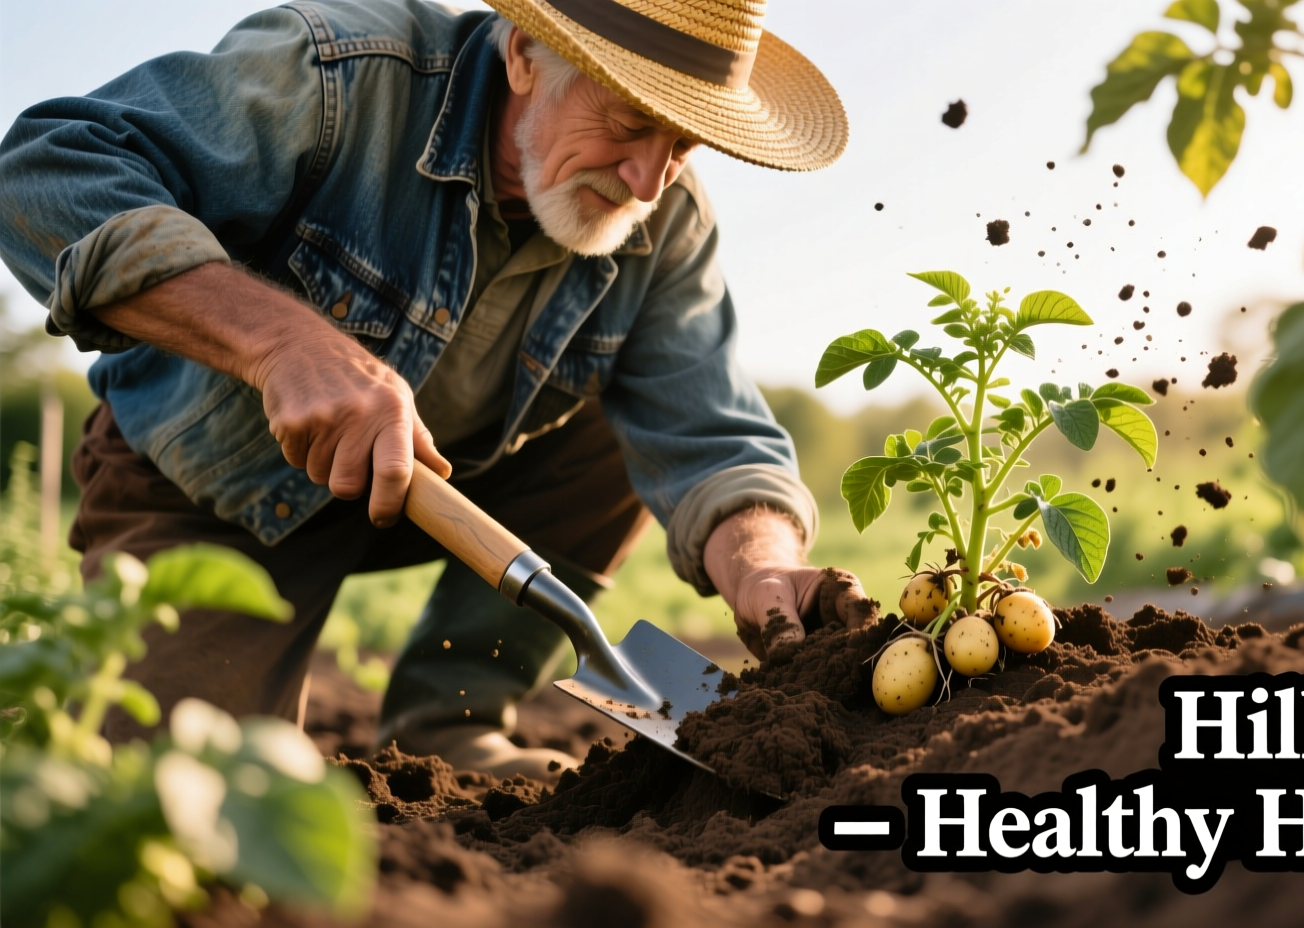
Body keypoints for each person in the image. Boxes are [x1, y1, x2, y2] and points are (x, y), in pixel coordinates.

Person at [0, 0, 876, 779]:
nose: (647, 180)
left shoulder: (666, 223)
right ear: (526, 52)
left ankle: (451, 721)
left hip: (442, 489)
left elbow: (709, 426)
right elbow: (44, 170)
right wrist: (282, 343)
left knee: (620, 427)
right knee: (196, 811)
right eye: (628, 119)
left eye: (681, 143)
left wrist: (763, 563)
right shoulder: (335, 74)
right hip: (213, 493)